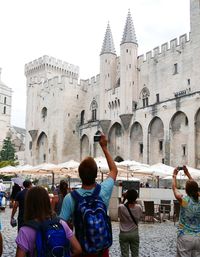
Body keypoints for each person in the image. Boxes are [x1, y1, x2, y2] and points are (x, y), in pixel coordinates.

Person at [60, 133, 118, 257]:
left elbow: (62, 227)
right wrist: (104, 148)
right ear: (96, 175)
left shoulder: (70, 199)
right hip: (102, 251)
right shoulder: (103, 191)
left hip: (82, 250)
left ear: (80, 175)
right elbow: (114, 170)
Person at [15, 186, 82, 257]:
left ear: (28, 204)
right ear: (47, 201)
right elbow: (77, 249)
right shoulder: (60, 223)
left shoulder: (25, 230)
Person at [172, 165, 200, 257]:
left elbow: (174, 188)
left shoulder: (184, 201)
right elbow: (196, 190)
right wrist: (187, 174)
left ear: (186, 190)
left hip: (185, 236)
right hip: (198, 237)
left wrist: (174, 176)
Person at [118, 189, 142, 257]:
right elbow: (139, 217)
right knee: (135, 254)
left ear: (127, 197)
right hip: (134, 233)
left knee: (124, 254)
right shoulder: (139, 207)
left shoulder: (121, 207)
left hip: (123, 233)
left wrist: (124, 199)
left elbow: (119, 216)